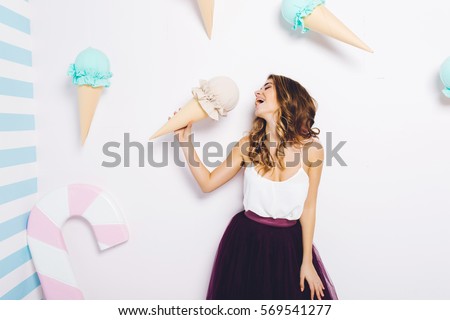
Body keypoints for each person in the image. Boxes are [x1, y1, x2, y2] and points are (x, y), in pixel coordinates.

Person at [170, 74, 338, 300]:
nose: (257, 93)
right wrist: (185, 142)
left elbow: (309, 208)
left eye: (267, 88)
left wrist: (307, 261)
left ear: (287, 98)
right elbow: (207, 183)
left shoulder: (313, 150)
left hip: (289, 246)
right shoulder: (248, 145)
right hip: (246, 242)